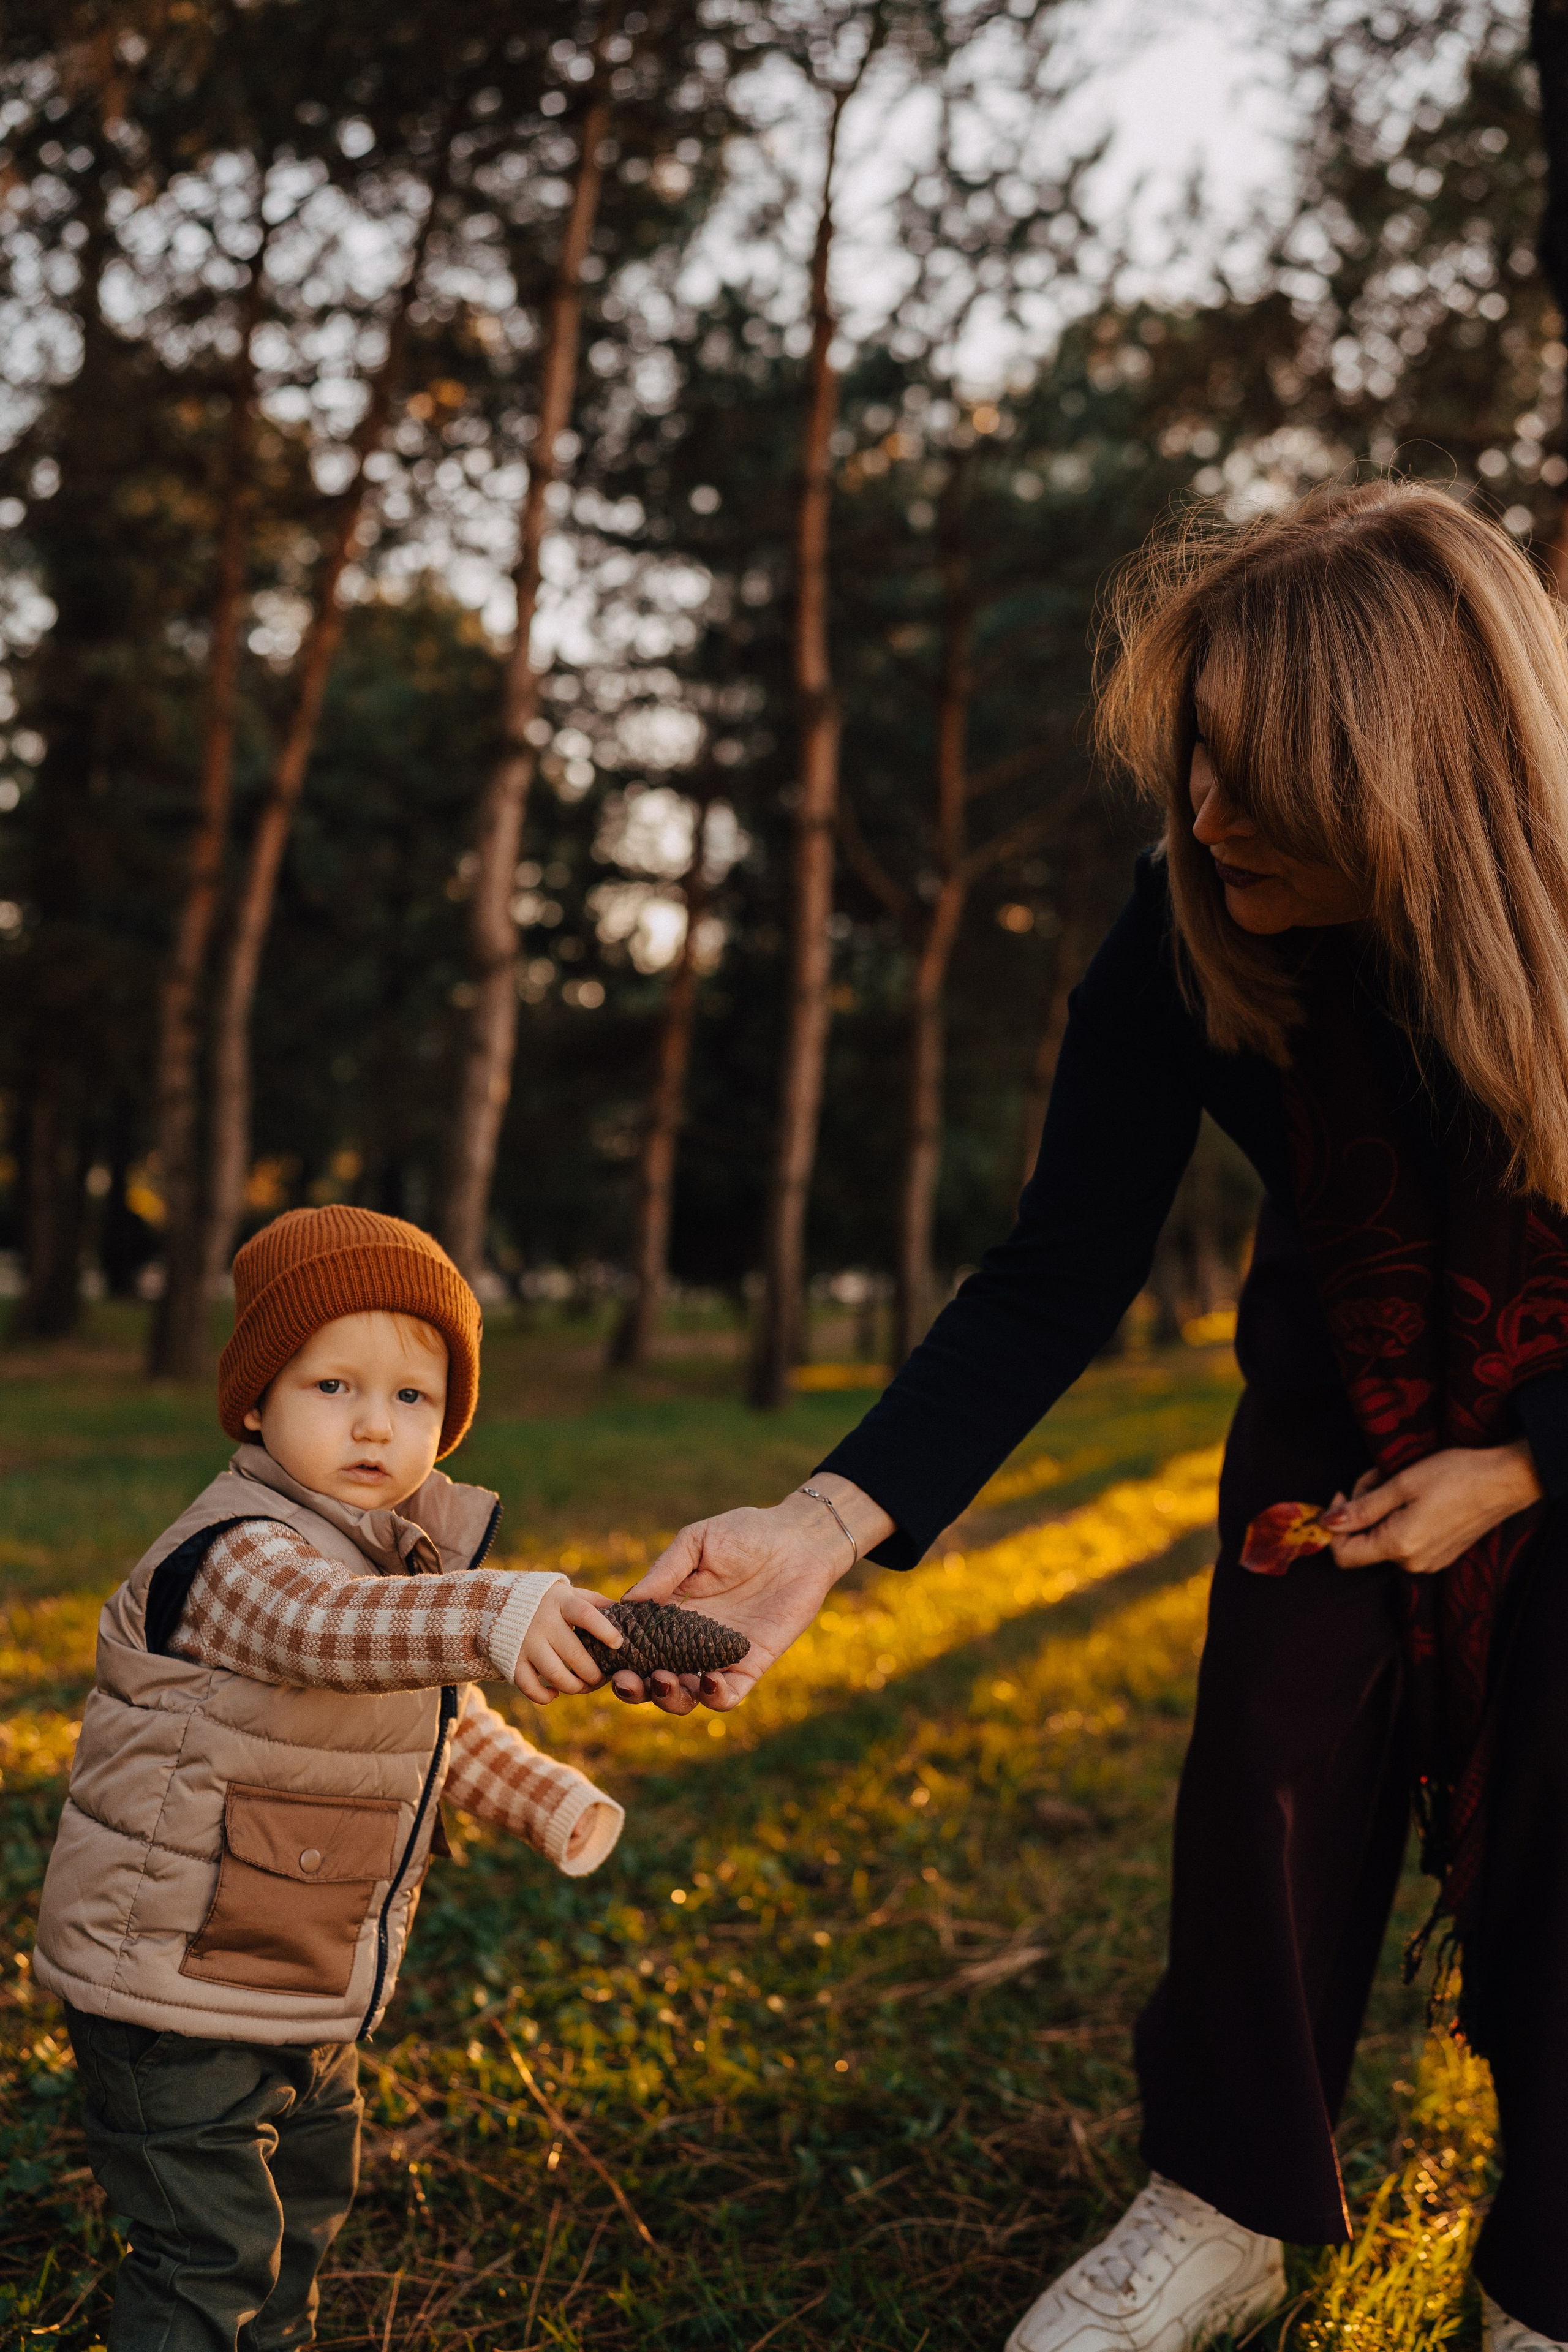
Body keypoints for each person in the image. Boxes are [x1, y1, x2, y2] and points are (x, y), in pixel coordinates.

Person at [607, 481, 1568, 2352]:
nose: (1208, 820)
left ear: (1419, 781)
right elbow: (1055, 1270)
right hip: (1338, 1403)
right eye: (1197, 763)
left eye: (1264, 785)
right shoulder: (1183, 922)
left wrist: (1526, 1467)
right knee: (1261, 1778)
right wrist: (822, 1525)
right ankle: (1225, 2202)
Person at [33, 1205, 628, 2352]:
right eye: (331, 1387)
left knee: (297, 2224)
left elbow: (436, 1726)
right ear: (255, 1400)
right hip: (172, 1990)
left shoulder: (391, 1561)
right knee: (206, 2258)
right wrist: (498, 1610)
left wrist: (546, 1797)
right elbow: (329, 1632)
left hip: (300, 1979)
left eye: (413, 1397)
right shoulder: (237, 1553)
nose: (374, 1424)